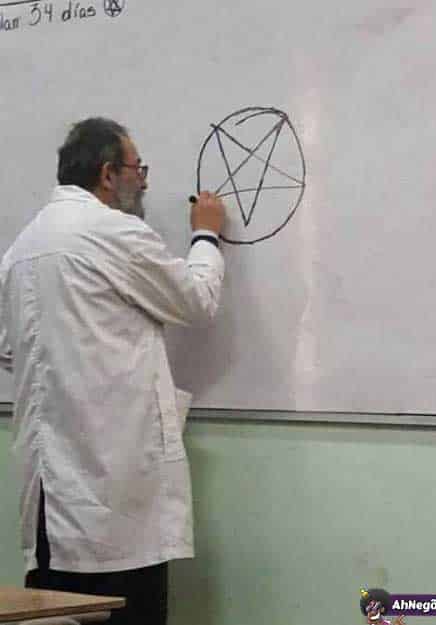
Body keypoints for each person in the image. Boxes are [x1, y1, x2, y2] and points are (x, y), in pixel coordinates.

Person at [0, 118, 226, 625]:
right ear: (107, 174)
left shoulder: (20, 249)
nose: (143, 181)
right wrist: (206, 233)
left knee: (56, 619)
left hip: (50, 510)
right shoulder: (114, 232)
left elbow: (8, 350)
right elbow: (197, 300)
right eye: (137, 169)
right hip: (115, 505)